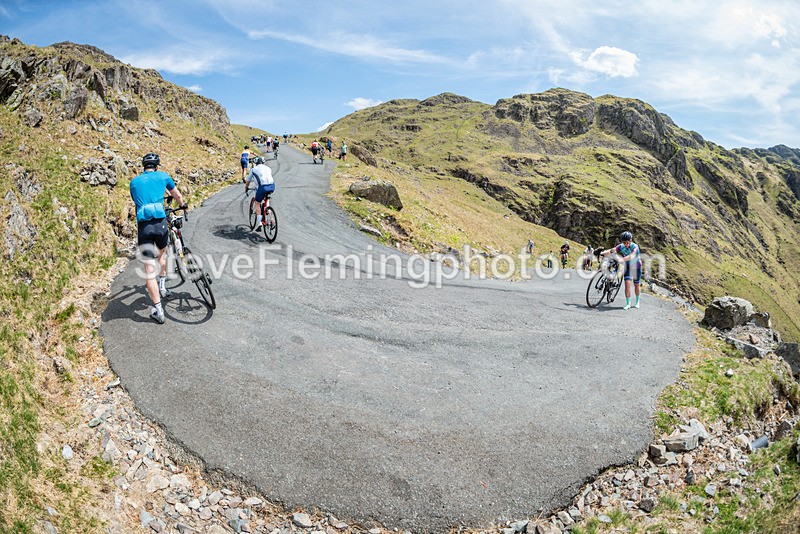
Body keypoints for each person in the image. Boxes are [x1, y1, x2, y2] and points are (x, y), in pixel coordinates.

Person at [130, 153, 186, 324]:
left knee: (148, 270)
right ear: (157, 165)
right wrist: (182, 206)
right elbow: (177, 195)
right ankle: (163, 286)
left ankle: (158, 310)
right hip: (161, 223)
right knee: (162, 254)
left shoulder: (134, 182)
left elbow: (136, 201)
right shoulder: (163, 176)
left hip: (144, 227)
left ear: (144, 166)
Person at [597, 231, 642, 310]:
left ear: (630, 241)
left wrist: (622, 259)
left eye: (627, 242)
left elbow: (632, 256)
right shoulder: (621, 246)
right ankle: (628, 303)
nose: (625, 244)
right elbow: (612, 250)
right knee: (627, 284)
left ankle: (637, 302)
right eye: (624, 242)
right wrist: (602, 253)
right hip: (627, 267)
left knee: (636, 285)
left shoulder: (635, 247)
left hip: (636, 267)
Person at [244, 156, 275, 228]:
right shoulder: (268, 168)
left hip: (262, 187)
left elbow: (248, 180)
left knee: (257, 203)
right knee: (266, 198)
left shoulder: (253, 169)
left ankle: (259, 223)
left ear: (256, 163)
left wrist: (246, 187)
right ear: (263, 162)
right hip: (272, 186)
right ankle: (268, 211)